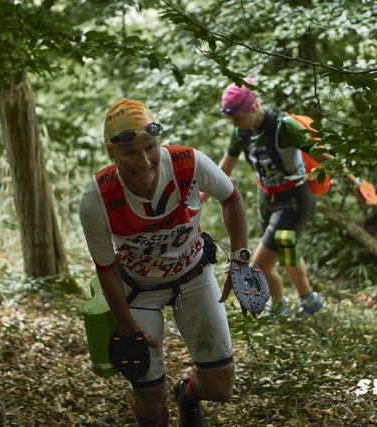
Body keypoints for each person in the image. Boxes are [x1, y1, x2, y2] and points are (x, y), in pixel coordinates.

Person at [79, 98, 251, 427]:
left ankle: (187, 395)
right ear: (111, 152)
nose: (143, 161)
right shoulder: (96, 199)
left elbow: (231, 198)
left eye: (151, 147)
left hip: (194, 275)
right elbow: (106, 270)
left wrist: (241, 261)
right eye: (130, 152)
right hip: (138, 289)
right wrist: (127, 327)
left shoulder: (188, 162)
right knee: (148, 399)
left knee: (220, 387)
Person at [209, 80, 369, 318]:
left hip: (294, 197)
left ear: (252, 108)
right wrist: (202, 191)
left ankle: (278, 307)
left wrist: (355, 182)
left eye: (238, 118)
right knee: (285, 251)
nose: (236, 124)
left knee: (259, 264)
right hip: (267, 199)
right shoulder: (241, 131)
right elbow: (224, 168)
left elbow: (323, 155)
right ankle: (308, 301)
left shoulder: (285, 127)